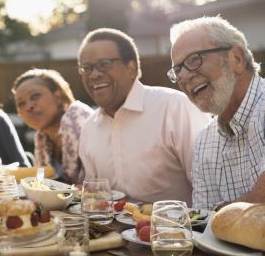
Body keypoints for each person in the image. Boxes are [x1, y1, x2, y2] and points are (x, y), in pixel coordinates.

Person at [77, 28, 210, 205]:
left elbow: (209, 186)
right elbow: (94, 197)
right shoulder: (89, 128)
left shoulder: (174, 107)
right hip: (110, 231)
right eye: (86, 68)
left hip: (178, 230)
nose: (94, 74)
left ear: (132, 68)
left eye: (104, 64)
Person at [169, 16, 265, 210]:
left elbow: (260, 205)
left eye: (194, 59)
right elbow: (204, 223)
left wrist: (222, 213)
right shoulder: (204, 141)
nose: (184, 76)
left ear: (236, 59)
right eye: (177, 70)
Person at [12, 69, 93, 184]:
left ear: (58, 96)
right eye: (21, 103)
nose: (29, 106)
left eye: (35, 96)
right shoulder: (41, 138)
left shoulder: (82, 121)